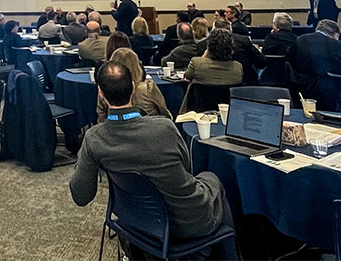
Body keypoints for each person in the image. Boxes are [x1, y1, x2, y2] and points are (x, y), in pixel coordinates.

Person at [69, 62, 235, 260]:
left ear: (101, 93)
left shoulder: (94, 139)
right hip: (188, 222)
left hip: (137, 222)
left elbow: (81, 196)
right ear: (133, 87)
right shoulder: (165, 128)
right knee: (210, 178)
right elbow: (186, 171)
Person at [286, 20, 341, 111]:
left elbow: (289, 59)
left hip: (302, 88)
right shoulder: (337, 45)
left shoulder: (300, 40)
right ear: (336, 35)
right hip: (331, 93)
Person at [97, 48, 170, 120]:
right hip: (151, 128)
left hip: (113, 129)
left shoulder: (105, 90)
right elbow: (164, 112)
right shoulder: (148, 88)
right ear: (137, 66)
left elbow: (101, 117)